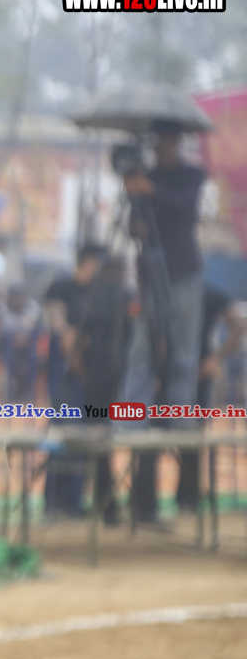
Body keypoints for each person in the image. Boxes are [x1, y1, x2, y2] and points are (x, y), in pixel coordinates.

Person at [121, 121, 207, 525]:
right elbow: (133, 227)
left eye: (165, 142)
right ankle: (131, 418)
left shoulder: (191, 174)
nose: (160, 148)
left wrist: (149, 189)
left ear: (176, 142)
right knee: (141, 350)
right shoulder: (146, 176)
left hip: (184, 270)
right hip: (150, 271)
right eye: (156, 142)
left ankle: (182, 418)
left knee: (184, 351)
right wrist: (135, 198)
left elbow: (184, 207)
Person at [43, 244, 113, 520]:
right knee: (64, 434)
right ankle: (54, 503)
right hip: (66, 372)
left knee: (84, 438)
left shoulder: (99, 292)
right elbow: (63, 333)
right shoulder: (61, 288)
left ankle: (73, 501)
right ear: (89, 262)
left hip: (88, 374)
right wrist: (74, 357)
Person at [176, 285, 244, 512]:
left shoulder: (207, 294)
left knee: (193, 434)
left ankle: (188, 496)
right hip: (168, 373)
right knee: (158, 435)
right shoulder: (163, 290)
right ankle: (150, 501)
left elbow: (238, 324)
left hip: (198, 374)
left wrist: (216, 358)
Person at [0, 284, 40, 400]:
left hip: (27, 345)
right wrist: (16, 337)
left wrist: (22, 337)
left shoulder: (32, 305)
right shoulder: (2, 306)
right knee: (9, 358)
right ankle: (9, 396)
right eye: (14, 297)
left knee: (32, 359)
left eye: (19, 297)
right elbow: (5, 328)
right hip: (8, 345)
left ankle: (29, 395)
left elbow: (29, 326)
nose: (17, 300)